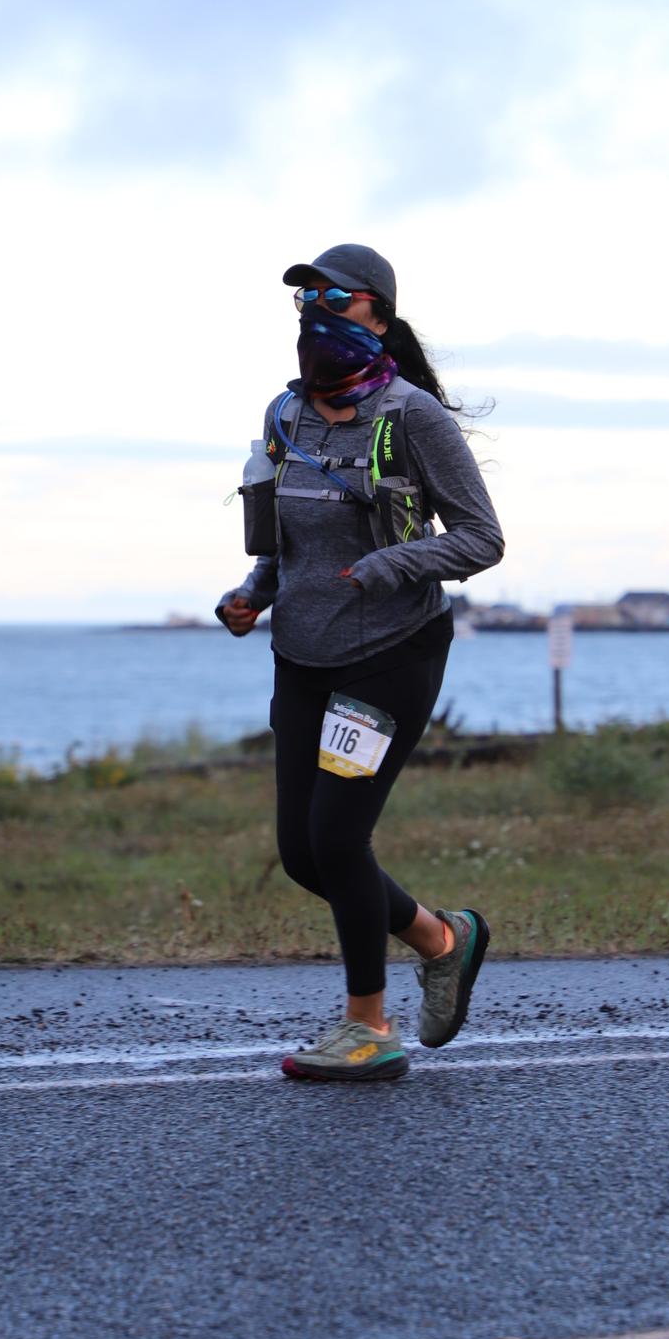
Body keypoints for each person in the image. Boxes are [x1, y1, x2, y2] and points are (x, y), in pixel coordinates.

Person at [216, 243, 505, 1081]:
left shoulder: (411, 417)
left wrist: (390, 565)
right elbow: (284, 543)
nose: (315, 311)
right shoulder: (285, 414)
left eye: (333, 298)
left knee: (339, 840)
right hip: (301, 655)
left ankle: (367, 1027)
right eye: (304, 299)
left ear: (377, 312)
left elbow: (480, 539)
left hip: (387, 657)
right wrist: (253, 593)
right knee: (303, 855)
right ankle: (442, 939)